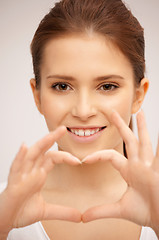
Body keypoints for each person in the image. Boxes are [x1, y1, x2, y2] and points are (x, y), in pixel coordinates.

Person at [0, 0, 159, 239]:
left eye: (107, 86)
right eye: (62, 86)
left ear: (138, 95)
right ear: (38, 95)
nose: (83, 111)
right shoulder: (5, 206)